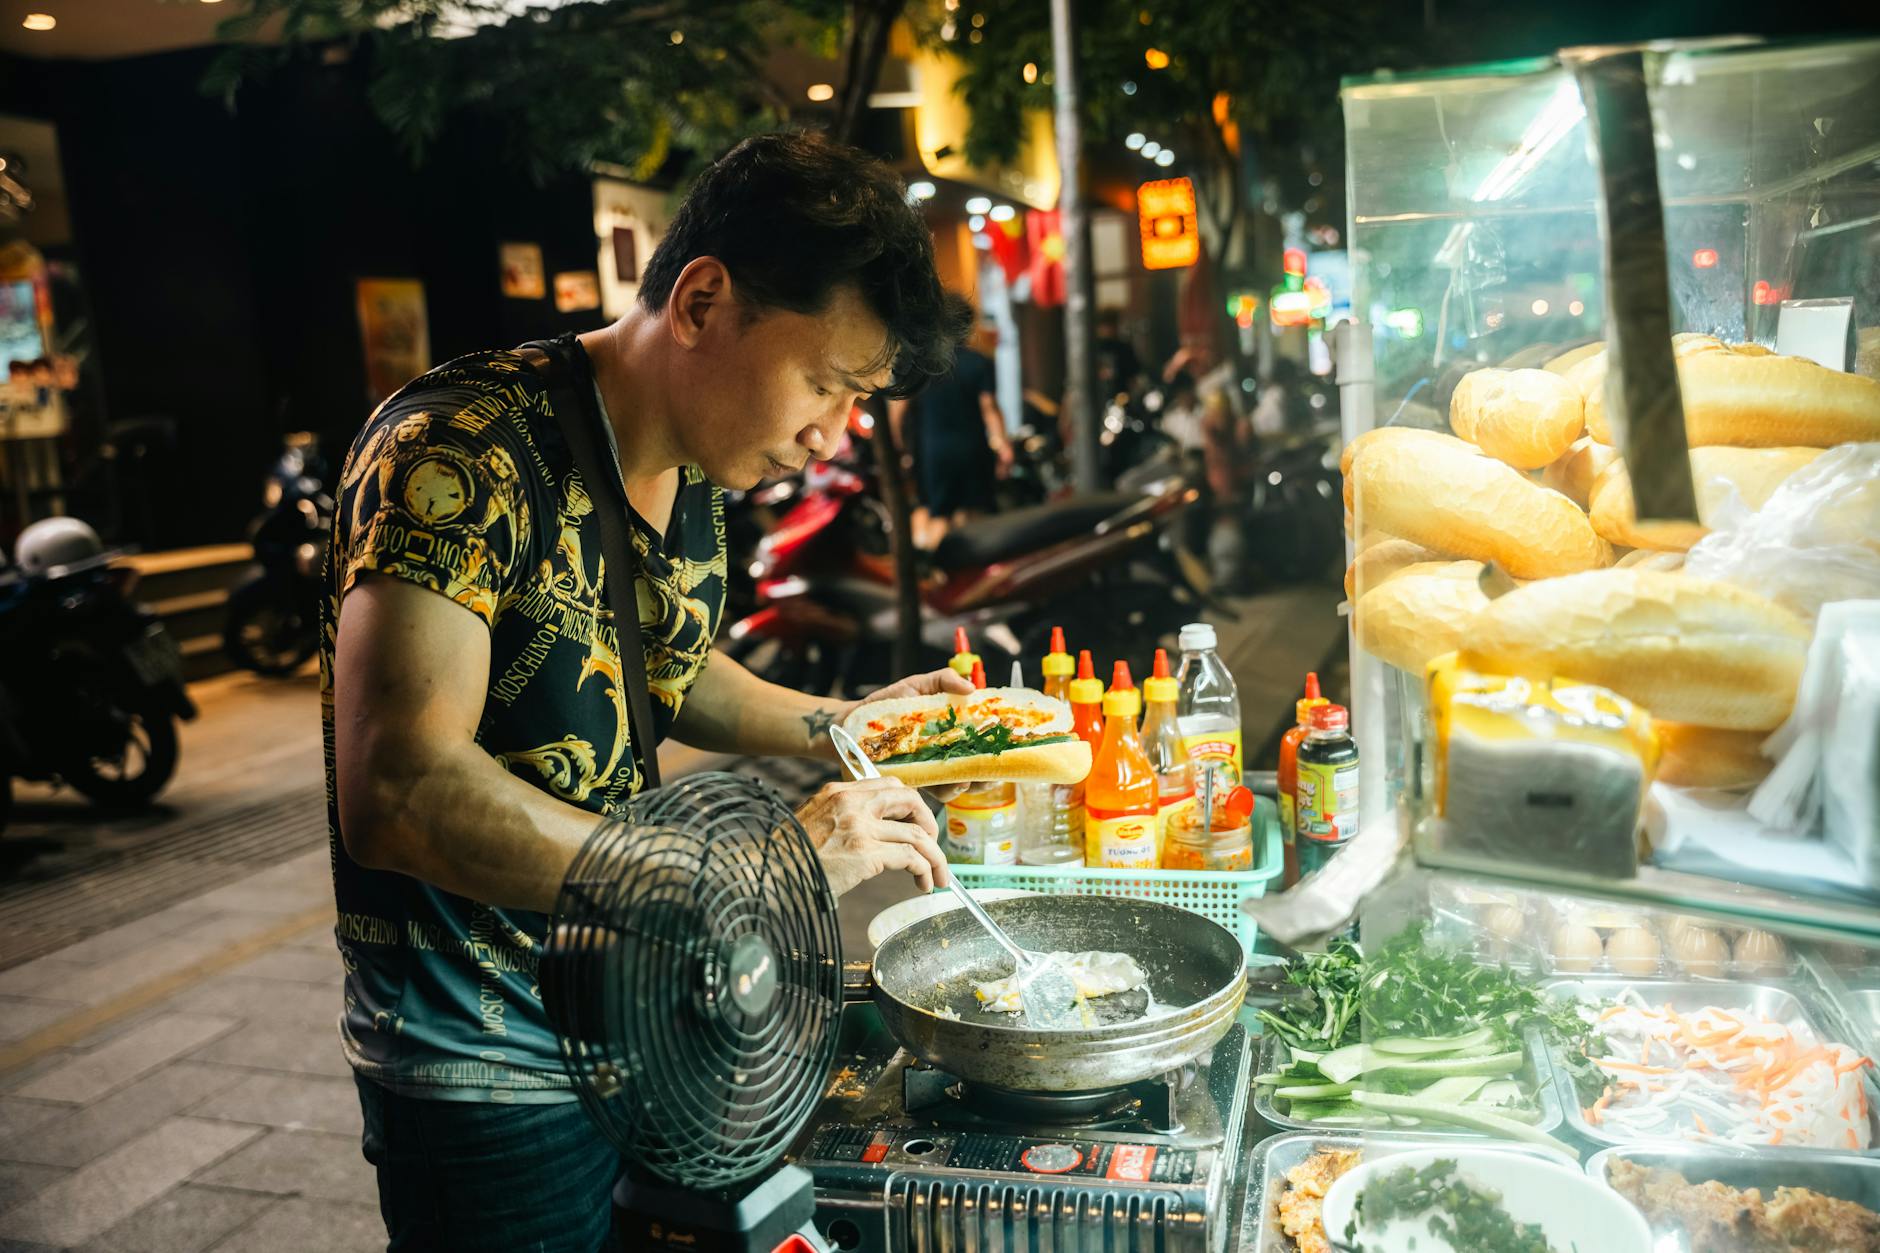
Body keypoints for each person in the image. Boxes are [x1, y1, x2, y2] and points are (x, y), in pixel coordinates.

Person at [324, 131, 974, 1252]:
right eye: (824, 382)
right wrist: (747, 870)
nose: (832, 434)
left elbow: (662, 668)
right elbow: (400, 789)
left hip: (634, 1011)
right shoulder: (459, 452)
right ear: (702, 299)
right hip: (486, 1059)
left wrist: (853, 727)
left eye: (856, 399)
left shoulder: (690, 472)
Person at [888, 324, 1010, 549]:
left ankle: (943, 574)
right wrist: (1003, 445)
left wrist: (898, 447)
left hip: (934, 451)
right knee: (974, 515)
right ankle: (973, 573)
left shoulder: (921, 365)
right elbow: (989, 408)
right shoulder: (979, 362)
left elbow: (899, 410)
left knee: (940, 516)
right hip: (973, 450)